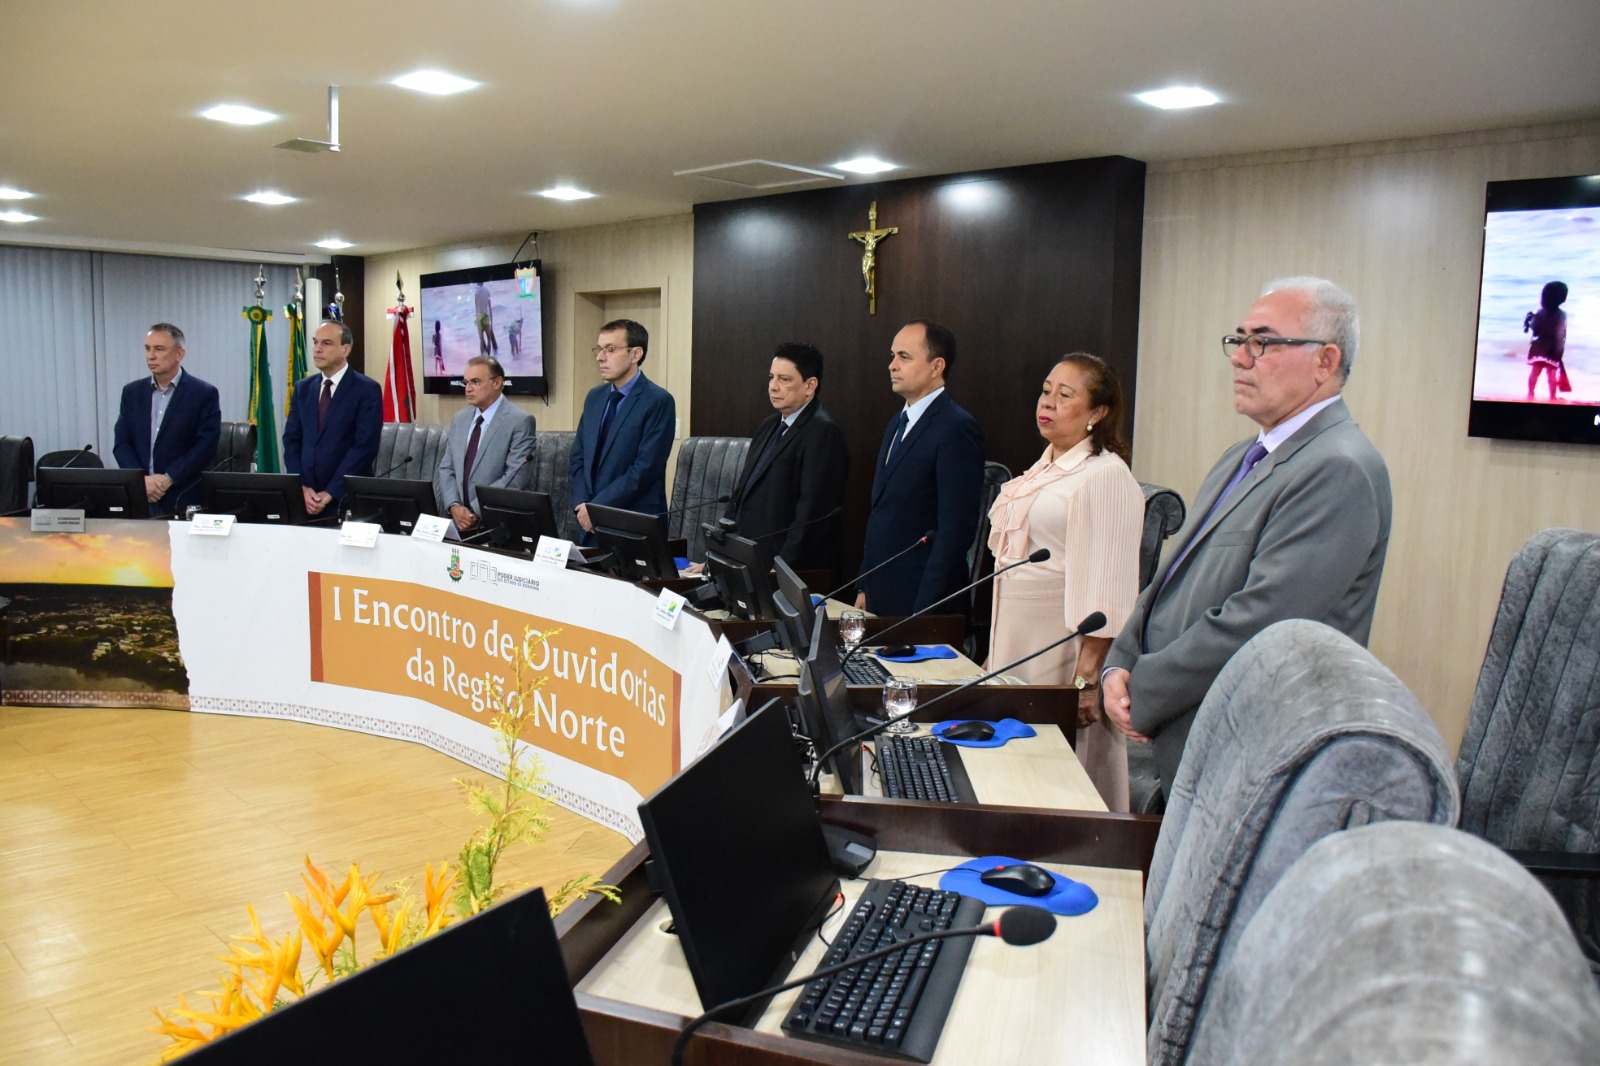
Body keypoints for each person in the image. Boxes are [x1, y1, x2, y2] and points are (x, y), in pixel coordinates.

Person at [1102, 277, 1392, 796]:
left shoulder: (1338, 468)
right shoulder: (1241, 456)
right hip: (1196, 741)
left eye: (1263, 342)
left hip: (1256, 752)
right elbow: (1168, 581)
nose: (1239, 358)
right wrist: (1117, 665)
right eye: (1237, 341)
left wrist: (1142, 692)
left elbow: (1260, 620)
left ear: (1325, 361)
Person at [985, 353, 1144, 810]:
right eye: (1046, 389)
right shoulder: (1043, 468)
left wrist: (1086, 680)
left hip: (1062, 649)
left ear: (1098, 412)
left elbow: (1110, 592)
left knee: (1058, 775)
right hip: (1016, 644)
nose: (1048, 401)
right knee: (1013, 767)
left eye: (1065, 394)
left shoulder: (1106, 477)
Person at [856, 320, 984, 616]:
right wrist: (865, 583)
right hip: (882, 591)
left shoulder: (956, 427)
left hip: (922, 600)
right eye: (892, 356)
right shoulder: (897, 422)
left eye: (904, 357)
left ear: (936, 366)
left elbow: (955, 529)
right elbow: (880, 512)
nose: (892, 365)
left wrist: (924, 608)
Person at [719, 342, 849, 579]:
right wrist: (718, 555)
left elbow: (811, 514)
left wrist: (780, 568)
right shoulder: (770, 425)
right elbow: (741, 494)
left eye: (785, 379)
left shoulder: (823, 432)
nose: (773, 387)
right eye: (771, 377)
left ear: (810, 385)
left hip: (786, 571)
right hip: (749, 562)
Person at [568, 318, 675, 543]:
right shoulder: (594, 397)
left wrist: (597, 508)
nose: (600, 357)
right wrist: (583, 507)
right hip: (589, 524)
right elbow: (578, 457)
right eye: (599, 349)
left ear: (635, 354)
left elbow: (644, 470)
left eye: (610, 349)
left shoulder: (658, 401)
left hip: (631, 526)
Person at [111, 323, 221, 516]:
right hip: (140, 496)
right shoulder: (132, 393)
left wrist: (168, 478)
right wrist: (141, 480)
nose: (150, 356)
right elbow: (122, 443)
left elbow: (205, 445)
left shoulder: (203, 393)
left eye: (159, 349)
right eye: (147, 348)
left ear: (179, 354)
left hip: (182, 496)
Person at [282, 320, 382, 518]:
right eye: (315, 342)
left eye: (326, 343)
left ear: (346, 349)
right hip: (305, 499)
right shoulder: (303, 388)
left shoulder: (366, 390)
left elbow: (364, 447)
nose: (317, 349)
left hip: (345, 500)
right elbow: (291, 440)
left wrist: (331, 492)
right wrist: (300, 486)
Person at [433, 355, 537, 532]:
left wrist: (473, 511)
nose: (468, 389)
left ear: (497, 383)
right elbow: (447, 468)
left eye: (475, 382)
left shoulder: (520, 421)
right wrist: (454, 506)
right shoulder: (460, 419)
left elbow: (515, 478)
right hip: (457, 521)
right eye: (466, 383)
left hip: (497, 523)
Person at [1525, 280, 1569, 401]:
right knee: (1551, 374)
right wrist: (1559, 350)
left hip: (1539, 347)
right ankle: (1552, 396)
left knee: (1535, 372)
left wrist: (1531, 321)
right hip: (1553, 349)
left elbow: (1535, 330)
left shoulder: (1540, 313)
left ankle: (1530, 393)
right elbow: (1561, 334)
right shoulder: (1562, 315)